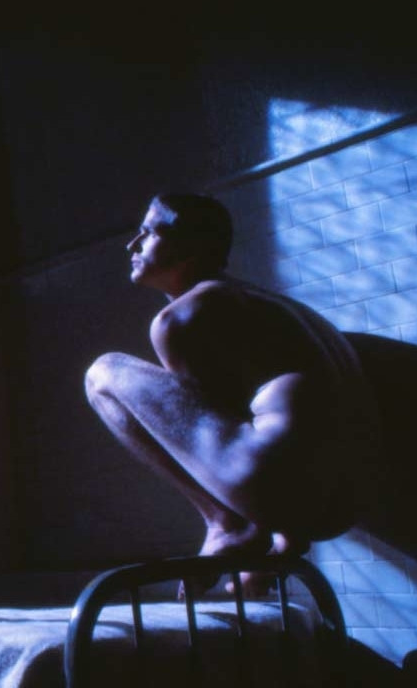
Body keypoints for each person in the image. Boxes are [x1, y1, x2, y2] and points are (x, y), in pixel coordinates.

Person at [84, 193, 381, 588]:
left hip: (279, 483)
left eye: (149, 233)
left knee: (103, 373)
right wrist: (278, 548)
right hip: (347, 506)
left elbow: (217, 419)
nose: (131, 245)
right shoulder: (276, 307)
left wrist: (256, 527)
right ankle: (260, 539)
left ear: (189, 248)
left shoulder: (183, 317)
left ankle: (226, 524)